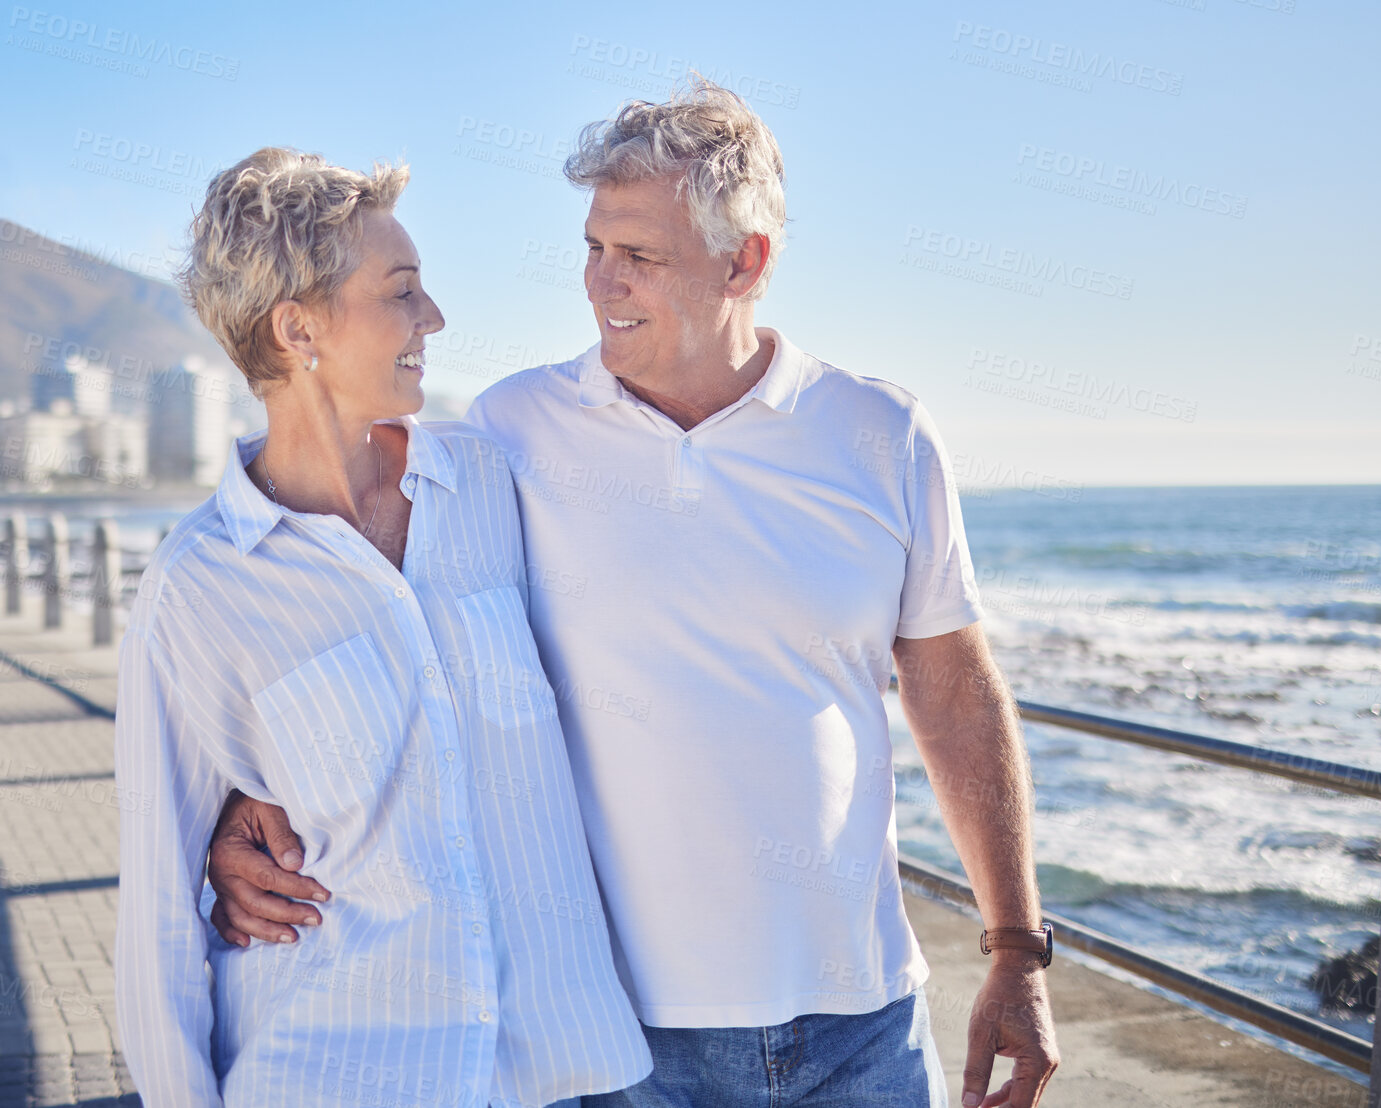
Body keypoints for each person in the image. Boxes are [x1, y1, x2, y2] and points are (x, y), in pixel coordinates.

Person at [208, 83, 1062, 1108]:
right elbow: (365, 594)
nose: (598, 282)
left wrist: (1014, 946)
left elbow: (955, 695)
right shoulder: (509, 432)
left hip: (862, 1023)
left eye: (638, 258)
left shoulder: (883, 434)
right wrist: (254, 794)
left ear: (743, 261)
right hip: (612, 1042)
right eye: (592, 247)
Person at [114, 147, 651, 1107]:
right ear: (297, 328)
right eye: (401, 292)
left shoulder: (493, 483)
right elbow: (157, 913)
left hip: (551, 1073)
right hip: (333, 1071)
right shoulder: (198, 589)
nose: (433, 319)